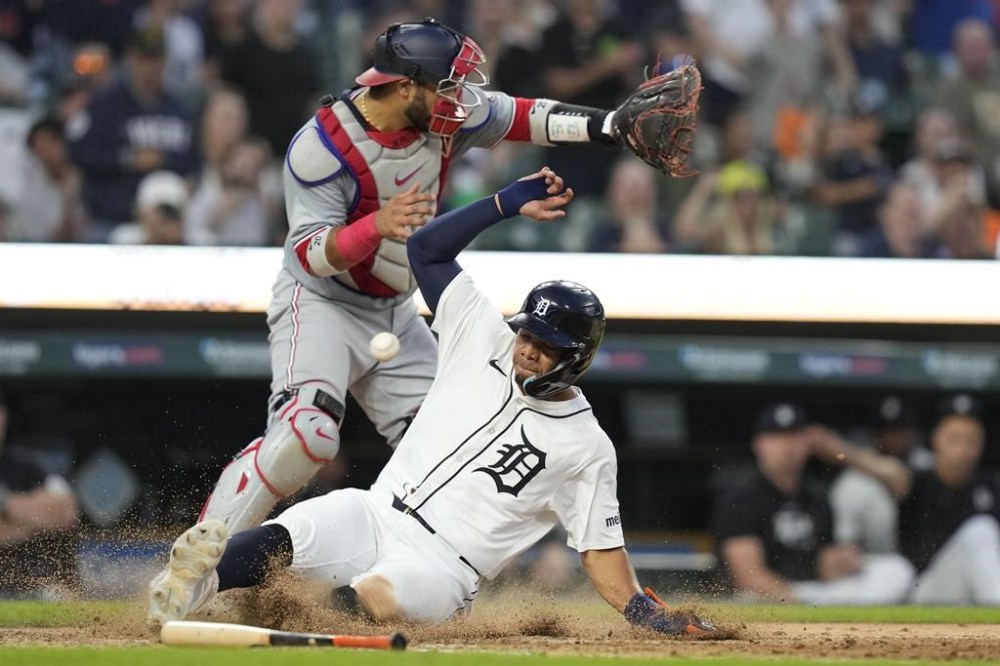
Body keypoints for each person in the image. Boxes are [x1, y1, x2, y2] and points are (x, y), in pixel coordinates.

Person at [147, 167, 716, 636]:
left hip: (443, 565)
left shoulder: (587, 446)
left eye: (546, 346)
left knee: (378, 595)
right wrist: (502, 203)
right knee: (287, 536)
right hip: (375, 509)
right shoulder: (483, 334)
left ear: (577, 358)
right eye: (527, 335)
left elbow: (599, 551)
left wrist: (645, 611)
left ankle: (297, 631)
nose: (528, 350)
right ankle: (188, 588)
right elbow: (426, 249)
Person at [193, 17, 673, 537]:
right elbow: (310, 255)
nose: (461, 98)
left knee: (454, 450)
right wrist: (376, 225)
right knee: (306, 438)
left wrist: (608, 127)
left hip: (395, 311)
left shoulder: (444, 118)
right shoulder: (321, 144)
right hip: (321, 303)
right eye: (448, 86)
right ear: (404, 86)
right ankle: (196, 562)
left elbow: (525, 116)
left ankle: (406, 580)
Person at [712, 402, 914, 604]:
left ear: (808, 443)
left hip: (813, 591)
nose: (787, 445)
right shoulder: (741, 497)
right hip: (768, 597)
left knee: (896, 569)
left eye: (795, 436)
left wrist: (840, 562)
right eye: (777, 436)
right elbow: (749, 577)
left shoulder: (817, 496)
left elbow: (826, 562)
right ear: (759, 444)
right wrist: (798, 602)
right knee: (750, 598)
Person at [812, 393, 1000, 604]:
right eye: (954, 439)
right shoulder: (917, 481)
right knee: (979, 529)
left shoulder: (991, 485)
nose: (963, 449)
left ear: (982, 443)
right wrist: (835, 448)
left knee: (982, 531)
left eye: (971, 440)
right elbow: (886, 470)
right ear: (936, 439)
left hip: (976, 589)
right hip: (925, 590)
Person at [66, 25, 198, 240]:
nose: (151, 66)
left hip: (170, 227)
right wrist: (126, 159)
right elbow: (79, 152)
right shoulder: (104, 106)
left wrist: (168, 163)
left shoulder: (180, 111)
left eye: (156, 58)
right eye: (144, 58)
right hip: (112, 219)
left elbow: (193, 160)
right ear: (130, 58)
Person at [0, 390, 80, 598]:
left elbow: (66, 512)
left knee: (57, 597)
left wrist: (5, 503)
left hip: (33, 588)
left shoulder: (27, 466)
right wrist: (27, 523)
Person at [829, 395, 930, 555]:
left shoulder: (927, 463)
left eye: (900, 430)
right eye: (888, 431)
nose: (894, 438)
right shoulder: (860, 471)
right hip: (879, 561)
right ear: (876, 434)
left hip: (928, 555)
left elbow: (901, 479)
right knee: (856, 485)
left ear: (912, 432)